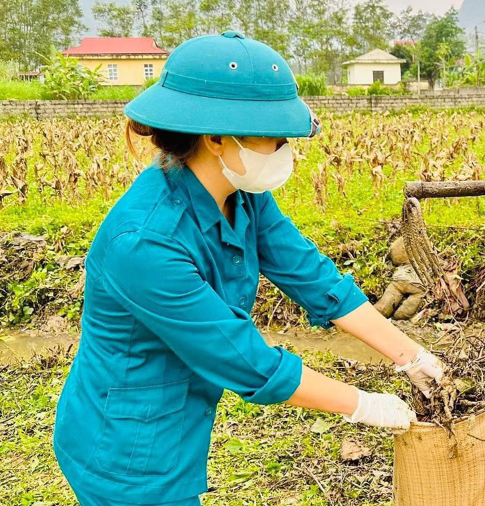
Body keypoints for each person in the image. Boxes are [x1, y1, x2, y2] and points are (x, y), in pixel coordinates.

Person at [53, 31, 446, 506]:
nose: (285, 149)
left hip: (178, 416)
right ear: (216, 137)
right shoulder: (144, 244)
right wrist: (363, 405)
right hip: (124, 447)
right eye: (275, 137)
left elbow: (313, 278)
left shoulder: (243, 196)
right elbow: (245, 361)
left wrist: (411, 356)